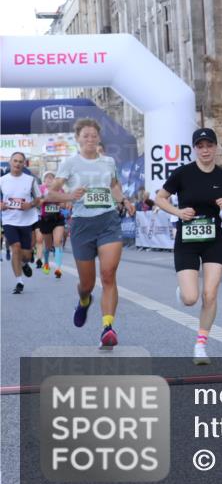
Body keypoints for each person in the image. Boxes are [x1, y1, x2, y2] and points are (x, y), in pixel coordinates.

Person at [156, 128, 222, 365]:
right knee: (190, 298)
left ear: (216, 147)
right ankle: (184, 291)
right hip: (187, 241)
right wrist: (177, 212)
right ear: (195, 149)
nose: (205, 150)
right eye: (201, 146)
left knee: (210, 294)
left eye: (209, 145)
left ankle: (200, 345)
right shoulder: (183, 173)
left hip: (213, 240)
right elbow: (159, 198)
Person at [46, 119, 135, 348]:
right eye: (85, 135)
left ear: (98, 138)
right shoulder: (70, 163)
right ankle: (84, 300)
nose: (90, 139)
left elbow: (114, 185)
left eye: (93, 136)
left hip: (108, 221)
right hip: (82, 225)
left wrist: (124, 200)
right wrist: (70, 196)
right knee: (87, 283)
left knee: (108, 275)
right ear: (77, 138)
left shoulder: (108, 161)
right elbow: (51, 194)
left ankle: (107, 327)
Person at [0, 152, 41, 294]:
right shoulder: (2, 180)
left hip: (27, 220)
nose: (17, 164)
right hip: (9, 220)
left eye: (20, 162)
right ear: (10, 162)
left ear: (24, 164)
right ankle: (19, 282)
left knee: (26, 255)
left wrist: (30, 205)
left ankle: (24, 263)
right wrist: (1, 205)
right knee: (15, 248)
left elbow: (38, 199)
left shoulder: (30, 180)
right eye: (15, 161)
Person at [38, 171, 71, 278]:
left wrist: (59, 202)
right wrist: (45, 199)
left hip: (58, 219)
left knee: (57, 242)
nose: (49, 179)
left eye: (52, 178)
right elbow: (37, 203)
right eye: (47, 178)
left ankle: (58, 268)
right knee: (48, 246)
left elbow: (64, 204)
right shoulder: (40, 189)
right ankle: (46, 263)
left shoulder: (60, 190)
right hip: (45, 219)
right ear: (44, 180)